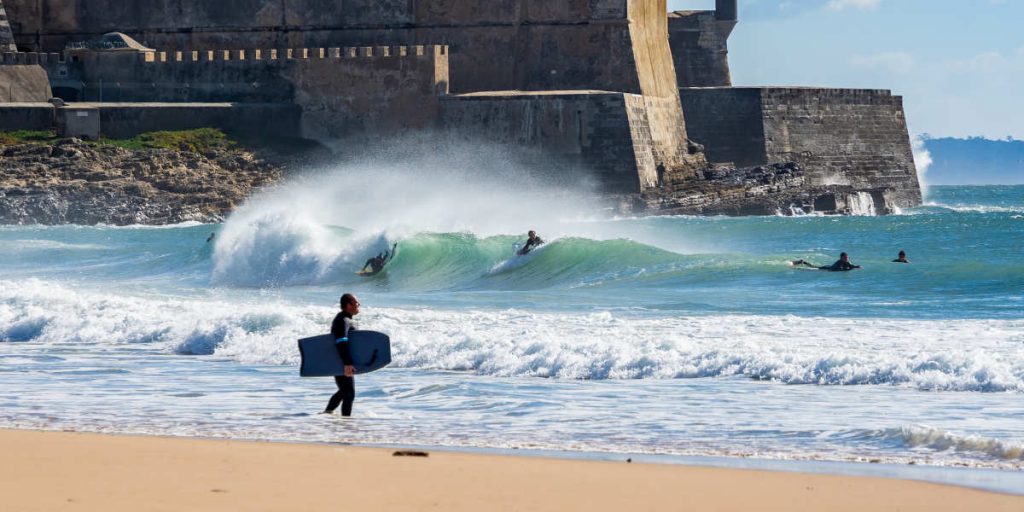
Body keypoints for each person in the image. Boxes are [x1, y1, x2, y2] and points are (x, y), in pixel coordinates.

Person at [324, 293, 360, 416]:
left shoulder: (346, 319)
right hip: (341, 360)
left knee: (345, 391)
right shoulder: (343, 320)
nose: (358, 305)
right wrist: (347, 363)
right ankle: (346, 424)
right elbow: (341, 341)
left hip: (342, 360)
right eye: (356, 303)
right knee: (348, 393)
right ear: (349, 305)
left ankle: (327, 413)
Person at [792, 252, 861, 272]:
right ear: (841, 258)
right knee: (814, 267)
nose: (846, 258)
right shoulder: (839, 262)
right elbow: (832, 270)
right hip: (827, 268)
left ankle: (803, 262)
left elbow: (851, 266)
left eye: (847, 257)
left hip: (829, 266)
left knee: (814, 266)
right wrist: (844, 270)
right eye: (845, 257)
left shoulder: (847, 262)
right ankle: (802, 262)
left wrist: (857, 266)